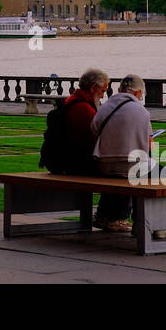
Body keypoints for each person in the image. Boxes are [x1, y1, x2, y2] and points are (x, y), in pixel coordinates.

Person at [92, 73, 166, 239]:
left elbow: (94, 130)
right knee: (164, 174)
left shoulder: (105, 106)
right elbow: (148, 144)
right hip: (129, 167)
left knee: (120, 175)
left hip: (102, 164)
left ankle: (105, 216)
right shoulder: (140, 111)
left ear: (119, 89)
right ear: (138, 93)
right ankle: (153, 225)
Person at [60, 69, 112, 223]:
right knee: (122, 170)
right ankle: (109, 217)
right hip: (79, 163)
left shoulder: (73, 101)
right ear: (94, 88)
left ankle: (108, 216)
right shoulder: (83, 108)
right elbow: (100, 136)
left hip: (72, 159)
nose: (104, 94)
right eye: (103, 90)